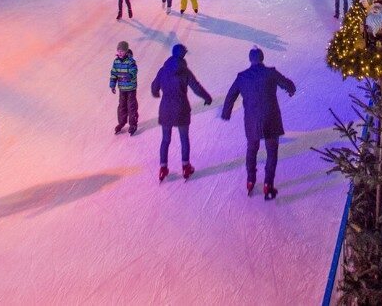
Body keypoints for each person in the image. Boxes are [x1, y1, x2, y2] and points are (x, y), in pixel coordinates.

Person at [220, 47, 297, 200]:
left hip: (252, 120)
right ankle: (268, 184)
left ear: (250, 59)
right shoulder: (270, 73)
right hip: (271, 118)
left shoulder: (242, 77)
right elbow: (287, 84)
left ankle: (250, 180)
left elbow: (230, 95)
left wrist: (226, 113)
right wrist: (291, 90)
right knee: (272, 152)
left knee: (252, 149)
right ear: (262, 58)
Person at [150, 44, 212, 182]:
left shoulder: (163, 70)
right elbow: (196, 88)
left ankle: (163, 168)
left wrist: (156, 93)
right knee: (184, 139)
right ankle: (185, 167)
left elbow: (154, 86)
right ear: (183, 55)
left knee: (165, 140)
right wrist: (207, 97)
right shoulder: (185, 72)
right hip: (181, 109)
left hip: (166, 109)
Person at [110, 41, 138, 136]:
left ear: (126, 51)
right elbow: (114, 73)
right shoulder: (116, 61)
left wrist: (129, 76)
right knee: (122, 106)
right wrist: (113, 84)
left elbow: (134, 71)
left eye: (122, 51)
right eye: (118, 50)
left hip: (130, 88)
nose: (120, 52)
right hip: (122, 88)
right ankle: (121, 122)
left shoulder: (130, 61)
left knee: (131, 106)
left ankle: (133, 124)